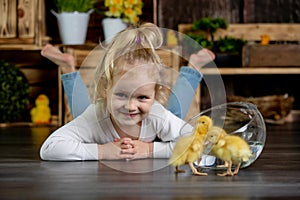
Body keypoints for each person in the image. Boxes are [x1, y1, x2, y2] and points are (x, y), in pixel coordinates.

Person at [40, 23, 215, 161]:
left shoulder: (157, 113)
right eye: (121, 94)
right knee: (84, 114)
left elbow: (199, 144)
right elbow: (49, 148)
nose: (130, 106)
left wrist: (150, 149)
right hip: (99, 117)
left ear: (155, 95)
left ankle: (193, 66)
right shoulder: (96, 115)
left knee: (173, 113)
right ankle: (67, 68)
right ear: (106, 89)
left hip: (157, 125)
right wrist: (101, 151)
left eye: (142, 97)